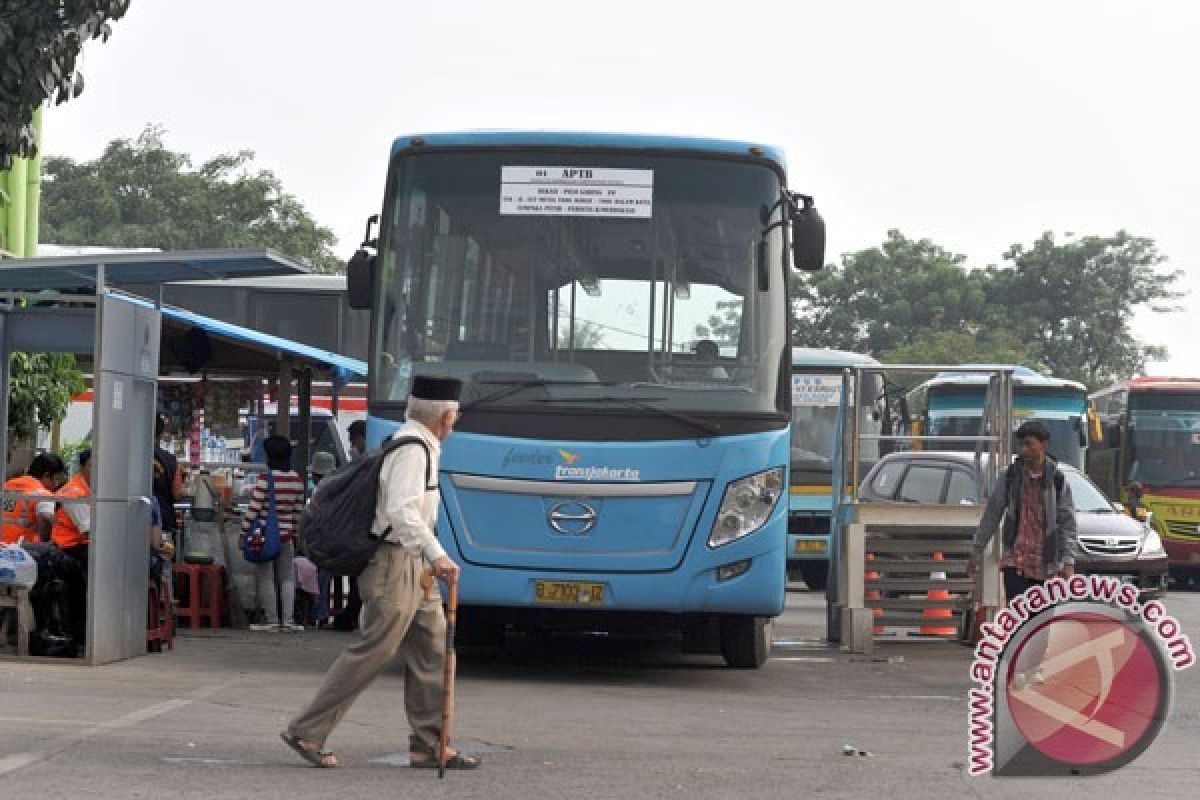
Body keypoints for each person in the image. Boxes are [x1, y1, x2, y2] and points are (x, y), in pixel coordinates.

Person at [281, 375, 480, 770]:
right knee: (375, 650)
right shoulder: (412, 450)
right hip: (395, 563)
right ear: (444, 416)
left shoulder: (422, 445)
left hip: (413, 565)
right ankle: (307, 729)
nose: (454, 424)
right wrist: (437, 554)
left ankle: (428, 744)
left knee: (434, 648)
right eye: (454, 417)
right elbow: (401, 513)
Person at [971, 420, 1079, 601]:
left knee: (1041, 624)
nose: (1023, 450)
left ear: (1044, 445)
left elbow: (1067, 524)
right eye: (1021, 445)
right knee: (1018, 623)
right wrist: (976, 550)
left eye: (1029, 444)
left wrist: (1068, 562)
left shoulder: (1057, 481)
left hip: (1046, 567)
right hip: (1015, 564)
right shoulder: (1010, 477)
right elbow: (992, 515)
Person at [240, 436, 306, 633]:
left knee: (266, 577)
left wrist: (243, 532)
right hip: (286, 537)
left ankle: (271, 619)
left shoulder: (265, 480)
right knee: (287, 578)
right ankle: (288, 620)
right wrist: (294, 533)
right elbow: (298, 512)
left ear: (269, 457)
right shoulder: (297, 481)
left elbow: (254, 509)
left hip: (265, 537)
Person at [51, 449, 93, 648]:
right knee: (85, 579)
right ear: (85, 466)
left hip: (83, 546)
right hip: (68, 548)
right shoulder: (73, 492)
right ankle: (80, 635)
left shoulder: (92, 489)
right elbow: (89, 532)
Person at [331, 421, 369, 629]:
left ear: (362, 438)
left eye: (354, 440)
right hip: (360, 528)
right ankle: (350, 615)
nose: (353, 446)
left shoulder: (368, 462)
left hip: (362, 529)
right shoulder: (364, 461)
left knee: (358, 576)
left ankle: (350, 617)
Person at [2, 452, 66, 545]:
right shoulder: (42, 493)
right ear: (47, 475)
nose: (56, 485)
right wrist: (46, 543)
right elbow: (46, 518)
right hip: (19, 551)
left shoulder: (6, 486)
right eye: (56, 479)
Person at [152, 415, 184, 545]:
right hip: (164, 520)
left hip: (133, 519)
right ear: (161, 432)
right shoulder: (170, 460)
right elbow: (177, 494)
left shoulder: (129, 457)